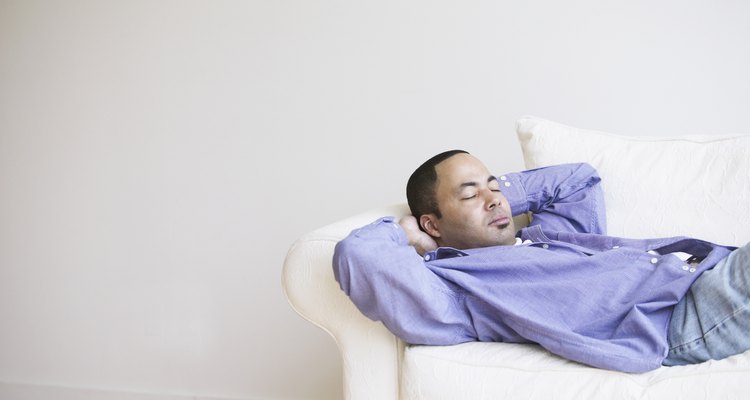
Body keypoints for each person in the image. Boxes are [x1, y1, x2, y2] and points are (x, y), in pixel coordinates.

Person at [332, 150, 750, 373]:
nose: (495, 198)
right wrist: (403, 233)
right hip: (684, 314)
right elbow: (359, 255)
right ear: (432, 223)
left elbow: (576, 179)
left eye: (494, 186)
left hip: (705, 268)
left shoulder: (542, 236)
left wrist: (491, 195)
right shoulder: (453, 287)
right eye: (469, 194)